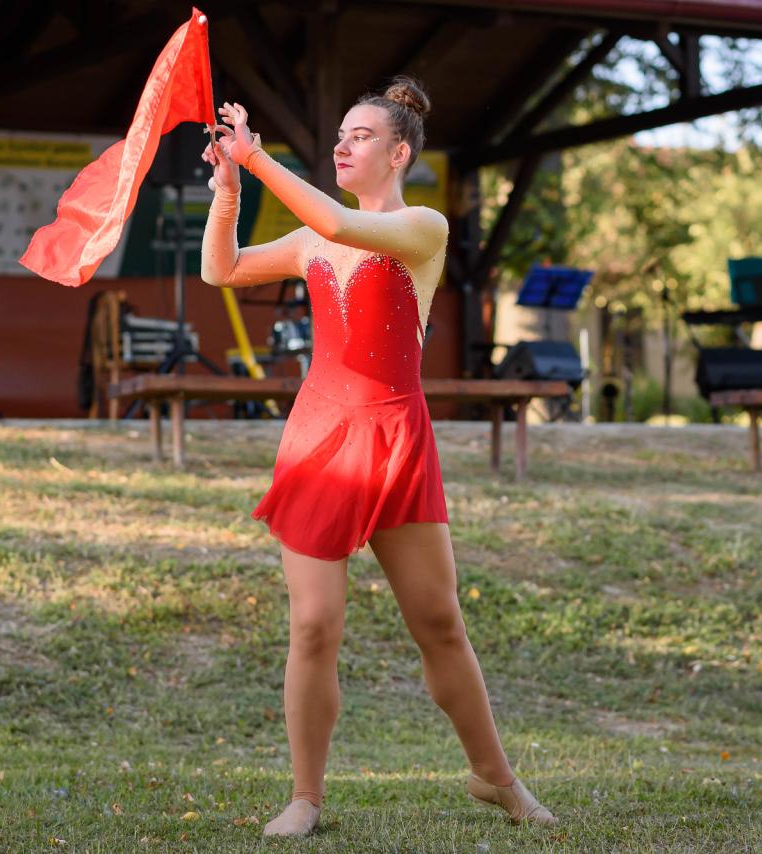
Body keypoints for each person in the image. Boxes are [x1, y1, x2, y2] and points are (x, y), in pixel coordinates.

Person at [198, 75, 557, 837]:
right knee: (313, 626)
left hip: (395, 437)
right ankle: (305, 797)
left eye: (359, 136)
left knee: (439, 622)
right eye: (339, 136)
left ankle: (496, 779)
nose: (342, 146)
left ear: (399, 154)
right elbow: (220, 270)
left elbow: (335, 219)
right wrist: (227, 190)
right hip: (319, 440)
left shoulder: (422, 227)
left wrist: (255, 157)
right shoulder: (310, 241)